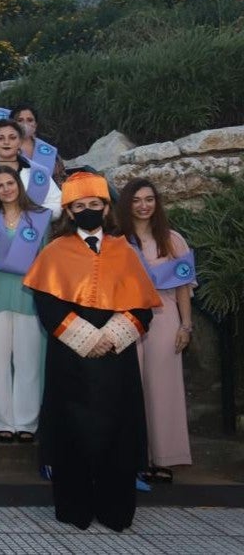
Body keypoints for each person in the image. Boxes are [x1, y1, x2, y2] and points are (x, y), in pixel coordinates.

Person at [23, 171, 160, 531]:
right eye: (79, 206)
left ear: (106, 208)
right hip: (71, 359)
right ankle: (74, 507)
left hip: (117, 359)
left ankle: (116, 509)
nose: (87, 211)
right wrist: (87, 338)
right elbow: (47, 304)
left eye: (94, 205)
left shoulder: (125, 252)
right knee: (71, 431)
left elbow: (143, 307)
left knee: (119, 431)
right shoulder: (54, 253)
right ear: (69, 211)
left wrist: (111, 337)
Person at [118, 178, 196, 482]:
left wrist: (185, 326)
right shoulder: (117, 241)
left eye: (149, 199)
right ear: (127, 203)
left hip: (165, 319)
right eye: (136, 200)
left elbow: (183, 287)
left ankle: (164, 456)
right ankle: (136, 456)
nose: (143, 205)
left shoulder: (173, 239)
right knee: (131, 388)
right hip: (128, 319)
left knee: (164, 388)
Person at [0, 166, 52, 443]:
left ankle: (27, 422)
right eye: (0, 185)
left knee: (28, 360)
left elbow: (45, 260)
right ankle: (2, 421)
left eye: (10, 183)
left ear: (19, 185)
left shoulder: (39, 219)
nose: (6, 189)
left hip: (29, 295)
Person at [0, 120, 63, 216]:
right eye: (0, 138)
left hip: (32, 229)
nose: (6, 142)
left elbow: (58, 204)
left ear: (20, 142)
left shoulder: (38, 173)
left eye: (12, 138)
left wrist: (30, 215)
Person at [12, 102, 64, 181]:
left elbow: (61, 178)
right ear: (12, 124)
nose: (25, 124)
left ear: (35, 125)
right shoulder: (5, 150)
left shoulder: (48, 150)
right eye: (20, 120)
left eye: (30, 120)